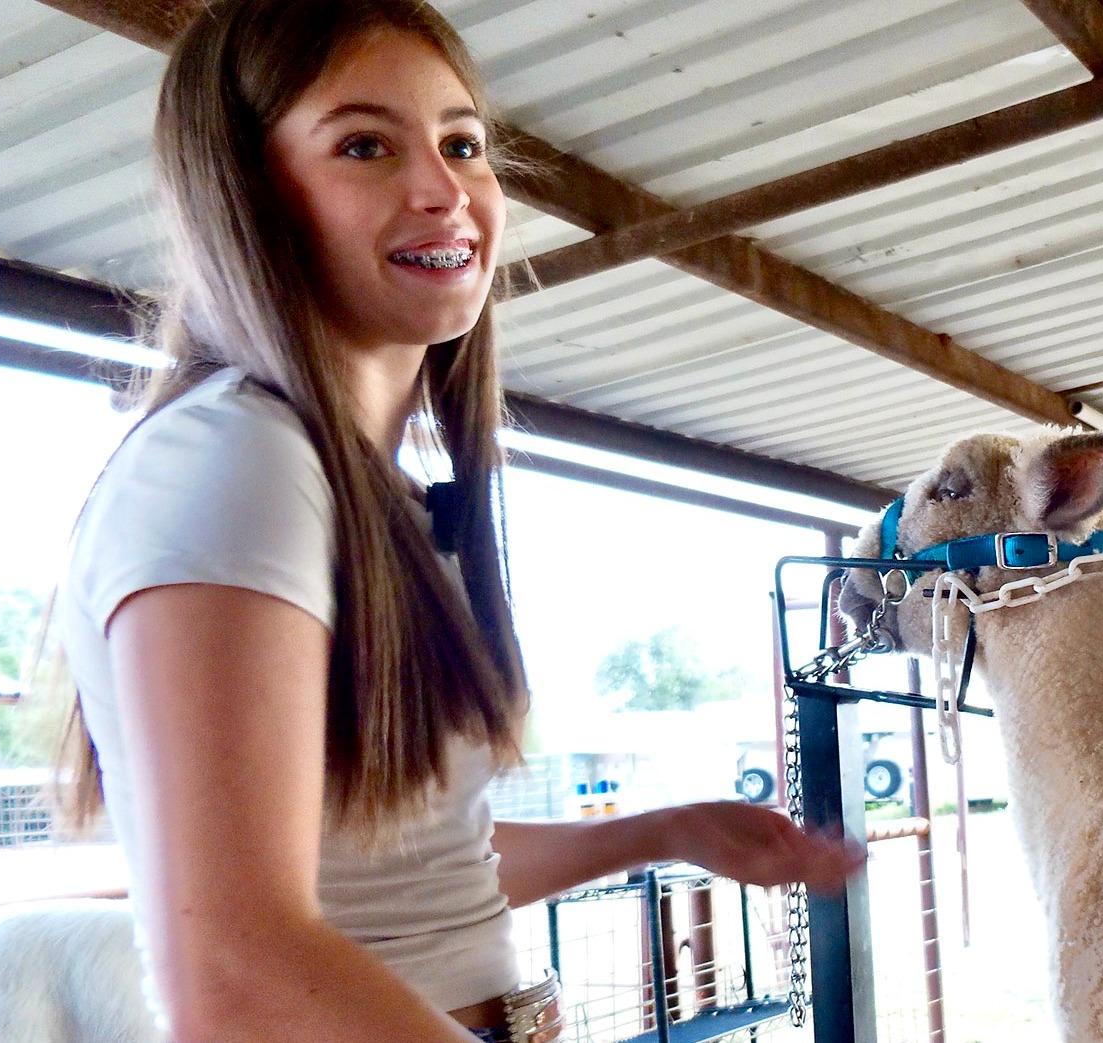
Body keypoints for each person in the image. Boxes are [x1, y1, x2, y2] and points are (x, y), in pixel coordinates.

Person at [48, 2, 863, 1040]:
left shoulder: (359, 490)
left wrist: (666, 830)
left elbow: (419, 872)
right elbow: (235, 963)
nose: (443, 190)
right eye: (364, 145)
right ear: (250, 196)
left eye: (462, 142)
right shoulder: (231, 456)